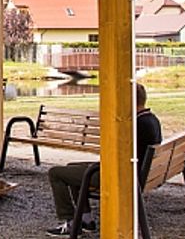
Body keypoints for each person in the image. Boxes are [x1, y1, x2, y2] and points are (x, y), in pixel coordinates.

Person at [45, 83, 162, 237]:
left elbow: (111, 151)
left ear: (128, 100)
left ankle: (70, 221)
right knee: (71, 167)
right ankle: (86, 219)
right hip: (133, 172)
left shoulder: (136, 125)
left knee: (56, 173)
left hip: (122, 177)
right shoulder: (151, 120)